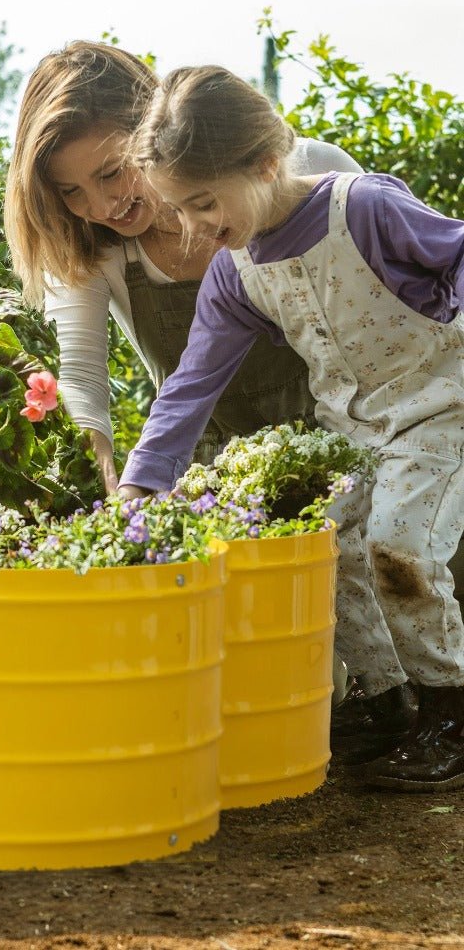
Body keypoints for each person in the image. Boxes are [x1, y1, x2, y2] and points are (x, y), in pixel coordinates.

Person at [117, 64, 464, 792]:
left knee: (398, 546)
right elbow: (191, 383)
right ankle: (390, 702)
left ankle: (449, 709)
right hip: (356, 430)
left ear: (267, 162)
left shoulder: (362, 207)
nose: (195, 227)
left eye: (204, 202)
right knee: (320, 547)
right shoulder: (234, 272)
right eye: (180, 210)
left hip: (442, 407)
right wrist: (141, 482)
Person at [4, 42, 363, 492]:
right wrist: (103, 491)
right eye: (71, 192)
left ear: (153, 130)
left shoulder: (304, 175)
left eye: (112, 172)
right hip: (212, 483)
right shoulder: (90, 249)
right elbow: (82, 381)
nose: (100, 206)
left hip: (355, 443)